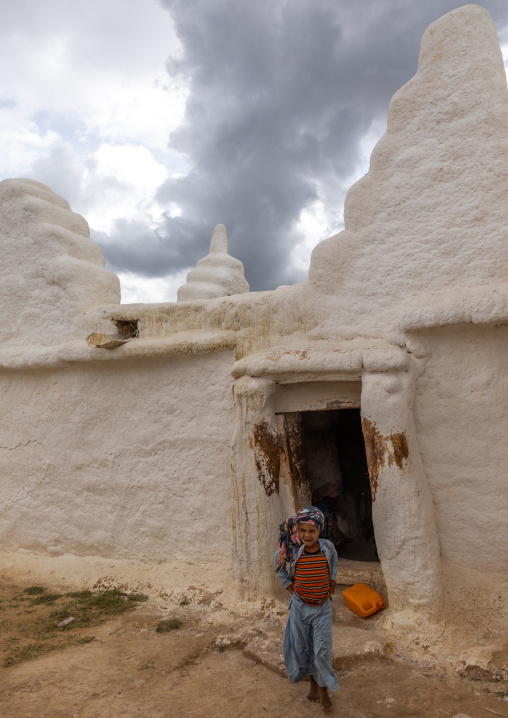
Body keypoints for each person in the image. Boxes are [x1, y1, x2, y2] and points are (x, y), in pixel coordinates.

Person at [274, 506, 339, 711]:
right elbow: (278, 561)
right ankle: (313, 682)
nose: (307, 535)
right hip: (300, 609)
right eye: (302, 530)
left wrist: (332, 579)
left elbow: (335, 561)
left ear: (320, 531)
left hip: (322, 609)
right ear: (297, 531)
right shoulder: (293, 552)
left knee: (322, 650)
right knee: (304, 648)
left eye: (312, 531)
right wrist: (288, 586)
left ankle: (324, 688)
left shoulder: (327, 548)